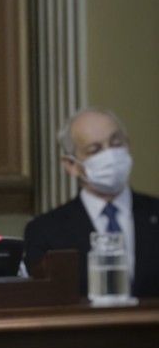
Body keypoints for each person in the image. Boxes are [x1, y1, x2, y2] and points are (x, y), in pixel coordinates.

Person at [24, 108, 159, 297]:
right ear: (71, 165)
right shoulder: (45, 232)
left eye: (116, 143)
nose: (110, 155)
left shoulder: (154, 212)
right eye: (95, 150)